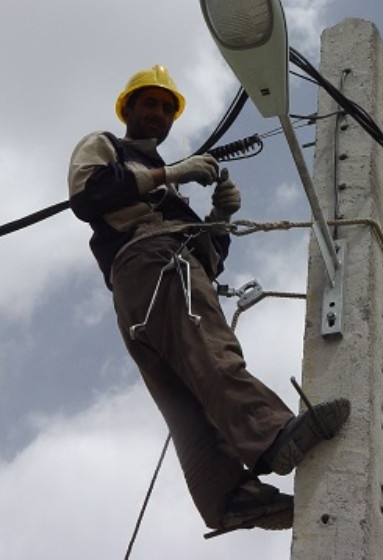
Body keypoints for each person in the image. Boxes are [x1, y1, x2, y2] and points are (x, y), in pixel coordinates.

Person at [68, 65, 350, 532]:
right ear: (128, 108)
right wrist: (170, 172)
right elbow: (87, 195)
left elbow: (211, 261)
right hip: (151, 264)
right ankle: (271, 435)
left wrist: (219, 216)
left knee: (184, 399)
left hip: (147, 281)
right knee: (209, 351)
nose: (157, 114)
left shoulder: (166, 189)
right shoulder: (107, 148)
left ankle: (230, 498)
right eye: (149, 103)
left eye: (166, 108)